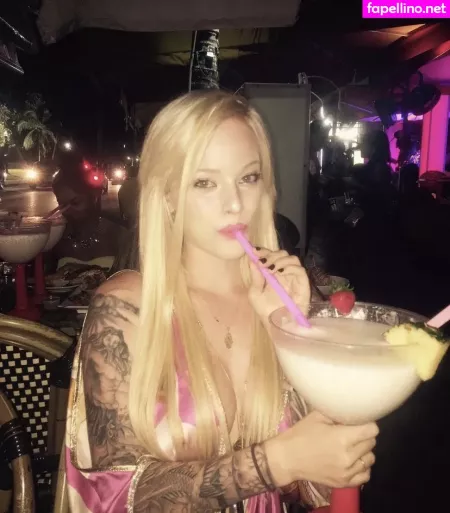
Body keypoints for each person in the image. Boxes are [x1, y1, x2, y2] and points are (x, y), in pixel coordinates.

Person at [65, 91, 378, 513]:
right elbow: (117, 496)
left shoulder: (284, 302)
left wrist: (294, 329)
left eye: (248, 178)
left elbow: (323, 481)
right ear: (167, 195)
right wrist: (276, 462)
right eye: (204, 182)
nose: (234, 204)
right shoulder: (126, 310)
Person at [51, 161, 127, 268]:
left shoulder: (118, 234)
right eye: (62, 205)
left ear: (94, 196)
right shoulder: (56, 238)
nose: (68, 210)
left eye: (75, 202)